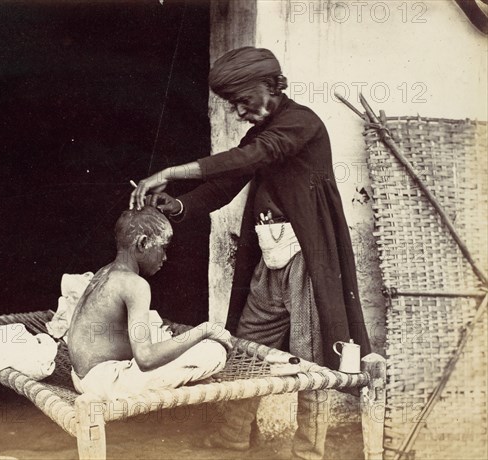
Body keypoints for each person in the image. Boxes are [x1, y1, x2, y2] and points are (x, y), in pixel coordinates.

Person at [130, 47, 371, 459]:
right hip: (269, 260)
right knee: (245, 349)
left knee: (312, 361)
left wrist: (170, 172)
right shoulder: (261, 133)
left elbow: (252, 156)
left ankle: (308, 452)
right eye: (234, 104)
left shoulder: (302, 123)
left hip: (304, 261)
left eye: (243, 101)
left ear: (271, 86)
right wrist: (180, 204)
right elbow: (226, 182)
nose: (240, 112)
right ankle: (231, 440)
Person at [67, 206, 231, 401]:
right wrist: (205, 330)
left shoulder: (104, 272)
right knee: (214, 352)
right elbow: (145, 359)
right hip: (108, 383)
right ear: (143, 243)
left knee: (156, 332)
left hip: (81, 377)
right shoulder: (135, 284)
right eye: (163, 247)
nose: (165, 257)